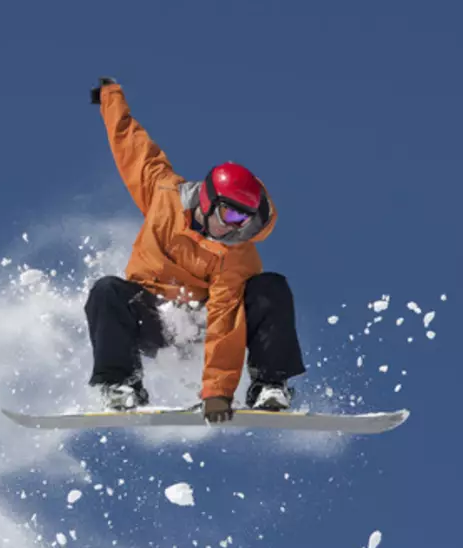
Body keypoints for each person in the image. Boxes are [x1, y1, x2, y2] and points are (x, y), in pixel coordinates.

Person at [85, 77, 307, 423]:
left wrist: (217, 393)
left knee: (270, 288)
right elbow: (129, 144)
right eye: (231, 214)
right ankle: (121, 385)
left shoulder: (237, 252)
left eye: (245, 219)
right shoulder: (163, 196)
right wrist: (110, 97)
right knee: (107, 291)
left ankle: (269, 385)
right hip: (152, 317)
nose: (236, 227)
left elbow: (225, 320)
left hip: (202, 327)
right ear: (207, 200)